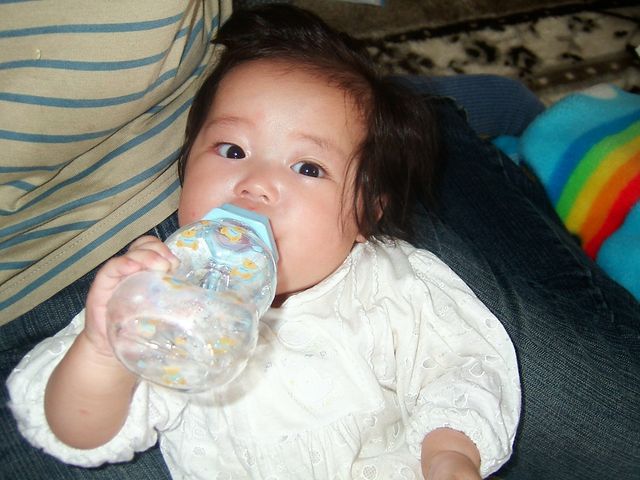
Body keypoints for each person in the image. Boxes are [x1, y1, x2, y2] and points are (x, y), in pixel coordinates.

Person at [2, 3, 638, 480]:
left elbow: (462, 367)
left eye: (307, 167)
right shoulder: (171, 298)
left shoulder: (392, 281)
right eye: (231, 150)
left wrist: (450, 453)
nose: (256, 183)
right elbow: (79, 432)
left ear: (367, 212)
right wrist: (103, 350)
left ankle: (448, 107)